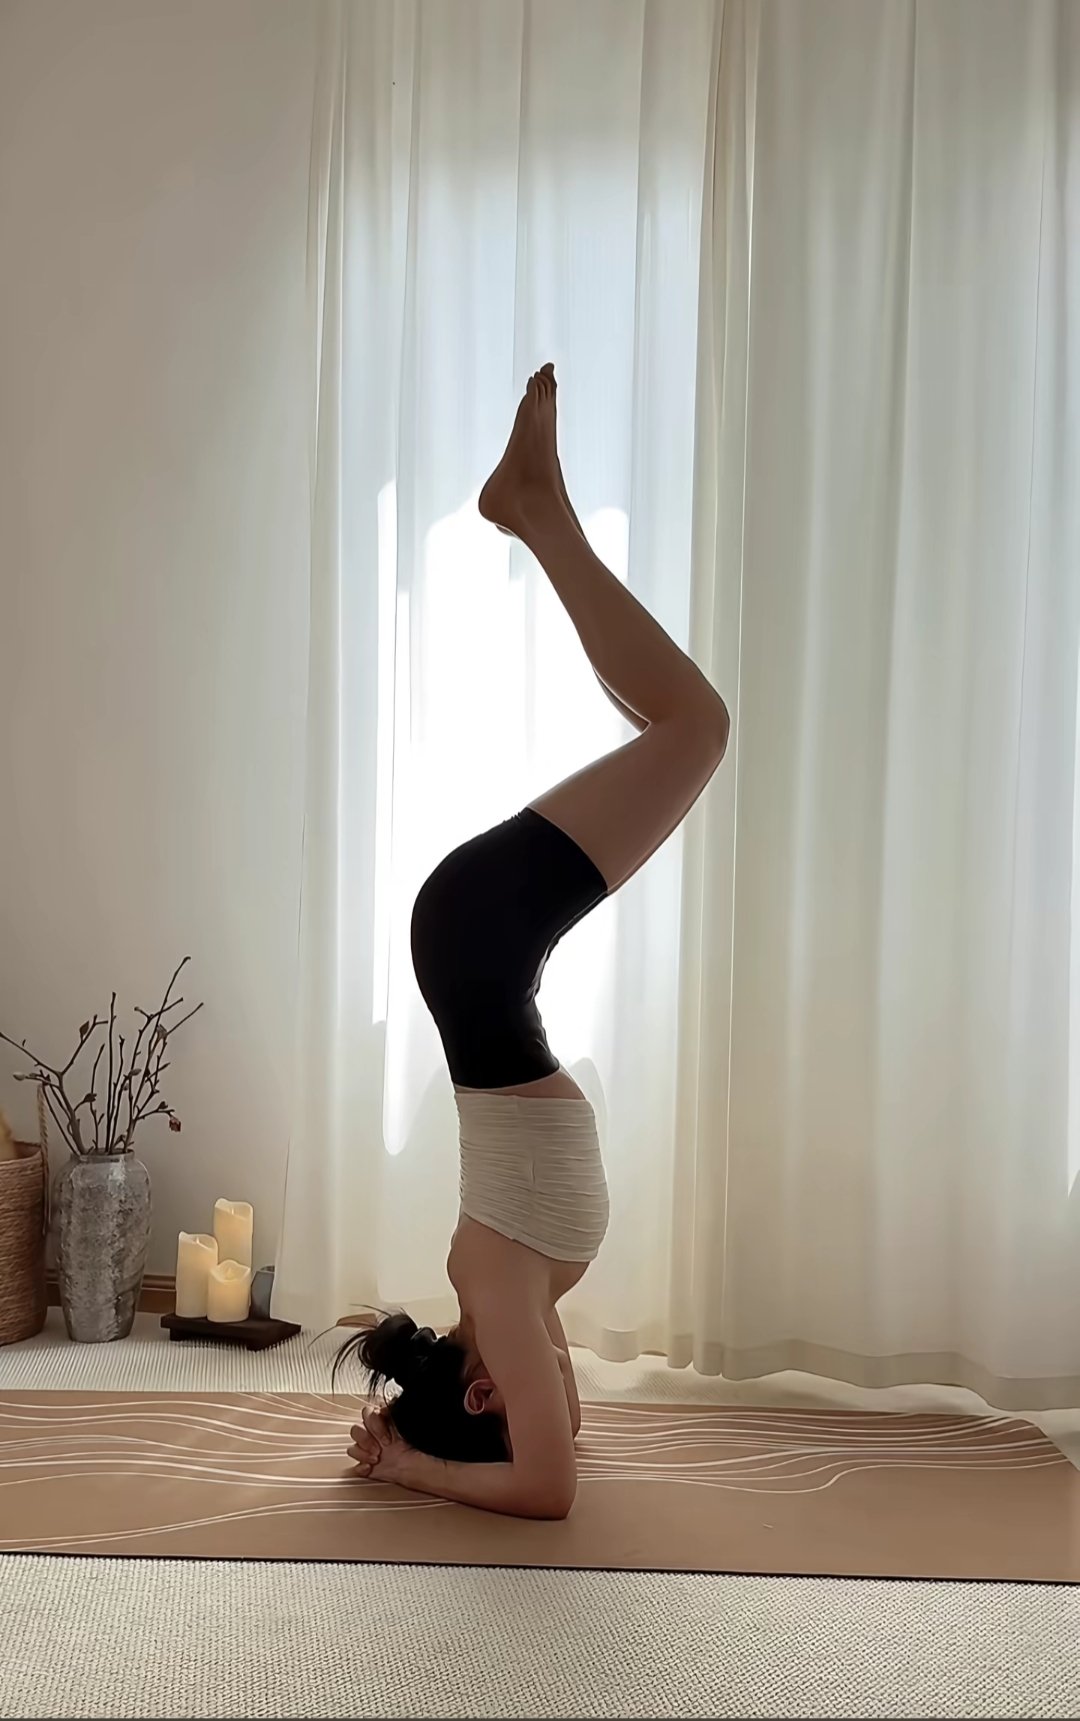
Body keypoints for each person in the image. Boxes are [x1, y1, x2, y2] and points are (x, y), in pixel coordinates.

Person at [340, 363, 729, 1519]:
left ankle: (536, 514)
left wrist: (412, 1466)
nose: (553, 1395)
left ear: (480, 1392)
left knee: (694, 726)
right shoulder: (514, 1307)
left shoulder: (500, 1290)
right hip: (478, 950)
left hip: (478, 943)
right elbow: (570, 1435)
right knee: (675, 728)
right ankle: (537, 513)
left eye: (516, 1401)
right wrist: (456, 1431)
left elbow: (550, 1486)